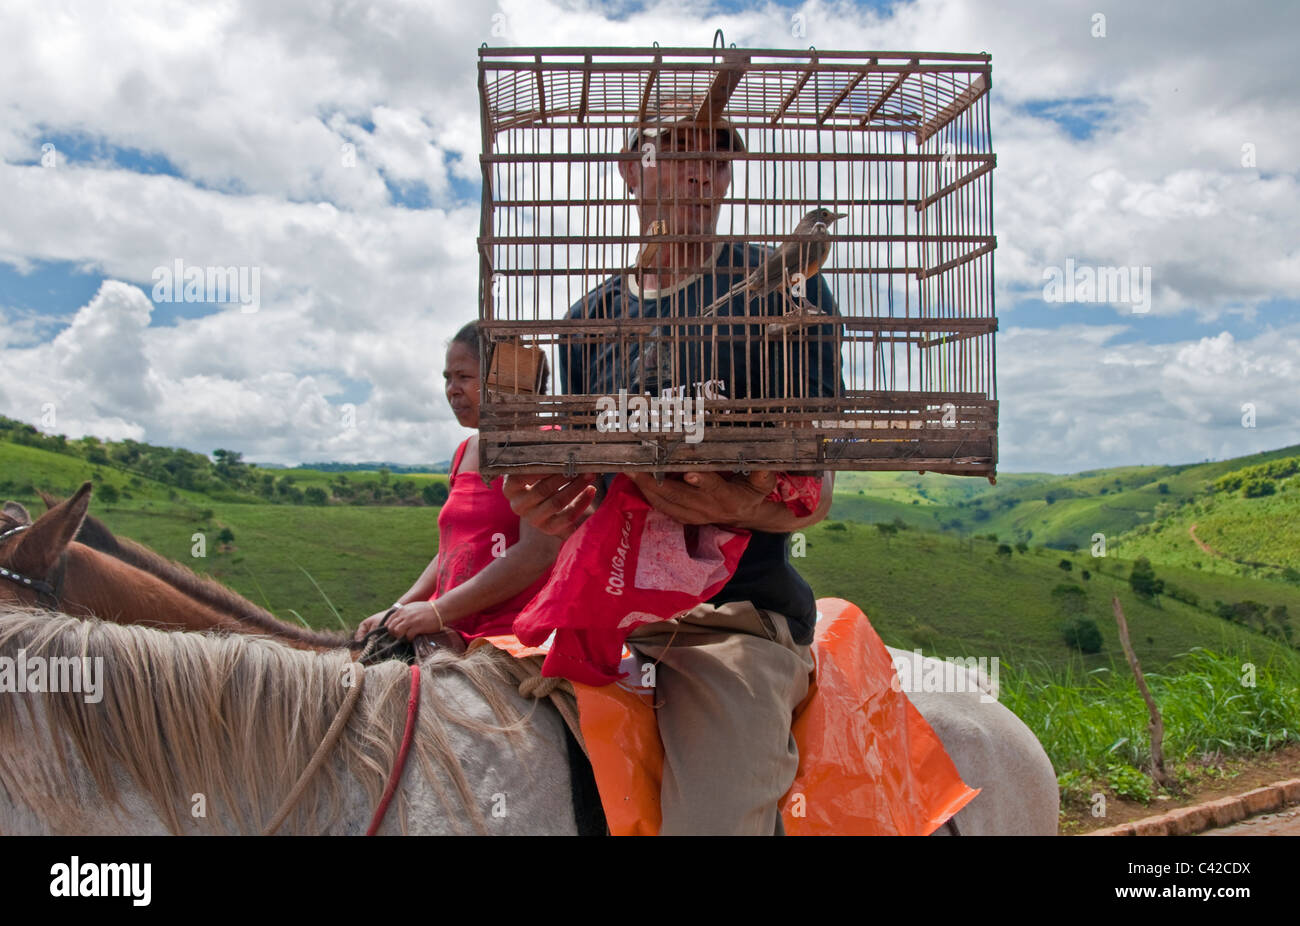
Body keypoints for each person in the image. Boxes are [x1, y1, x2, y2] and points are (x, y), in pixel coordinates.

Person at [502, 114, 842, 835]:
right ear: (630, 171)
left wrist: (736, 506)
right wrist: (547, 499)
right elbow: (595, 494)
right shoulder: (587, 319)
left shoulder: (780, 292)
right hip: (609, 614)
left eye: (718, 159)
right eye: (678, 153)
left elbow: (815, 497)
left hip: (729, 621)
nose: (701, 173)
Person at [356, 321, 562, 648]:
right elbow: (452, 550)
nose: (452, 389)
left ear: (507, 381)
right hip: (448, 630)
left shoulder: (544, 445)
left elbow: (538, 553)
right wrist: (399, 609)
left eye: (464, 377)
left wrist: (438, 611)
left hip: (505, 639)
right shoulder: (466, 452)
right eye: (447, 378)